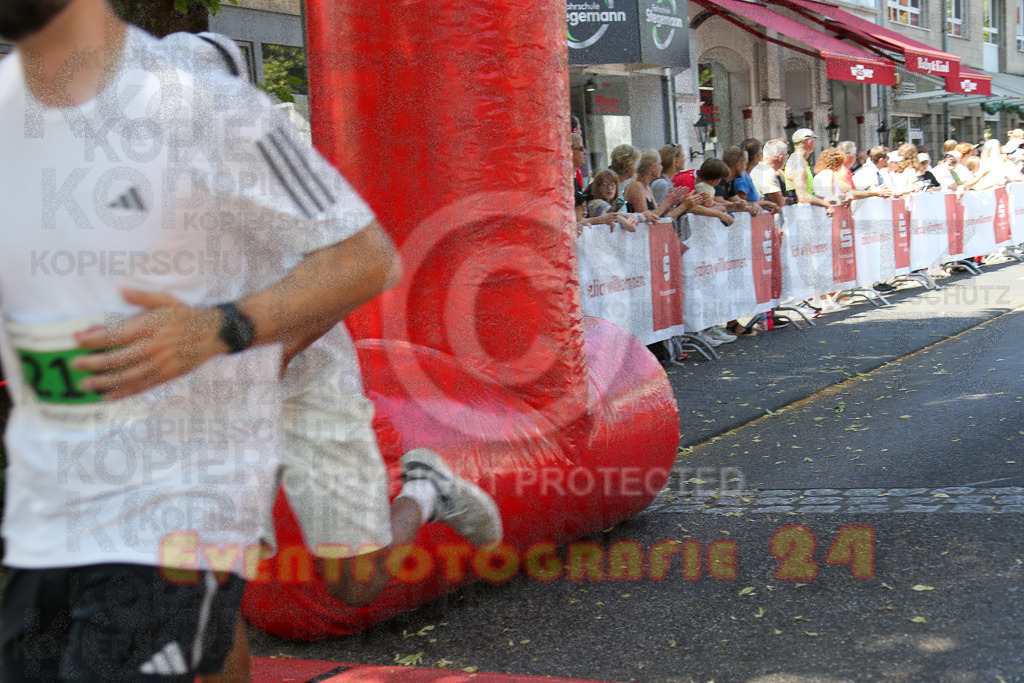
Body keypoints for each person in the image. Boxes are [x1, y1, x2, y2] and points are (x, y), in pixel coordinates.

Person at [785, 128, 834, 214]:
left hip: (806, 213)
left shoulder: (800, 161)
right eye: (814, 141)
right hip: (801, 215)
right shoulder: (797, 162)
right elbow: (802, 196)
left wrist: (824, 200)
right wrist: (826, 204)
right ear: (809, 142)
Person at [751, 138, 790, 207]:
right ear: (780, 157)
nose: (786, 159)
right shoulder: (768, 172)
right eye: (786, 156)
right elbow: (778, 203)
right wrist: (787, 201)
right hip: (764, 215)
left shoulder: (758, 168)